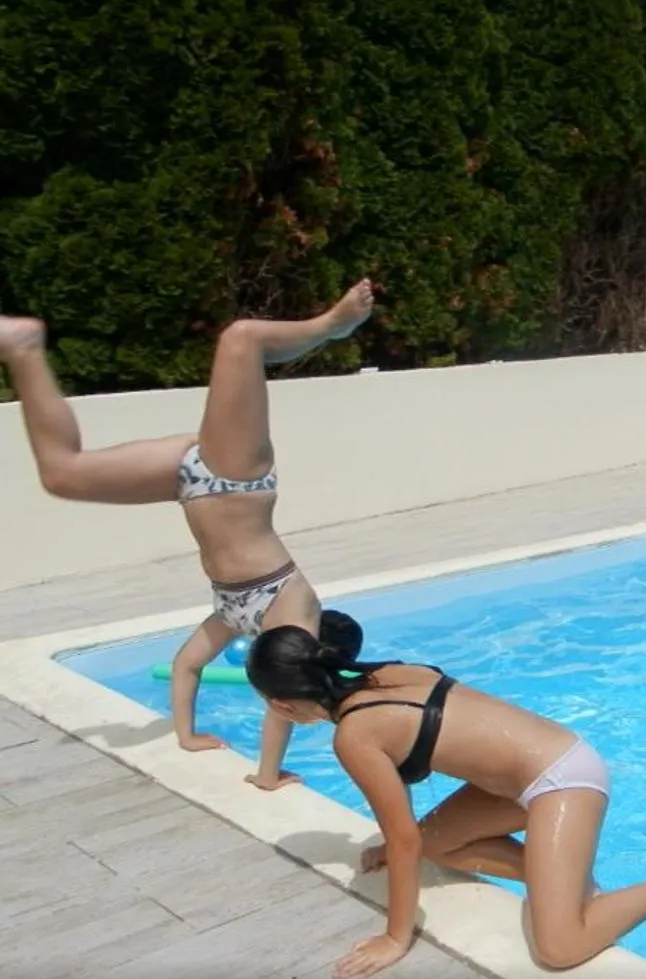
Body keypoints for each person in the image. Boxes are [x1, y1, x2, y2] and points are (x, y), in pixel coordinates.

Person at [0, 282, 374, 787]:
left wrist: (186, 736)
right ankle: (332, 326)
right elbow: (281, 701)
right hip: (236, 475)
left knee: (61, 475)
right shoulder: (295, 610)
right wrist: (267, 775)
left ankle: (21, 347)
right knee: (241, 338)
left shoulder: (237, 617)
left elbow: (186, 668)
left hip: (190, 483)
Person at [244, 619, 646, 979]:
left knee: (558, 949)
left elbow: (403, 837)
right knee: (438, 844)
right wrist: (393, 848)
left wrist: (395, 937)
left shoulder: (354, 736)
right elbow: (411, 837)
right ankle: (565, 883)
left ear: (283, 705)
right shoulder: (388, 675)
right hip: (540, 767)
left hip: (563, 781)